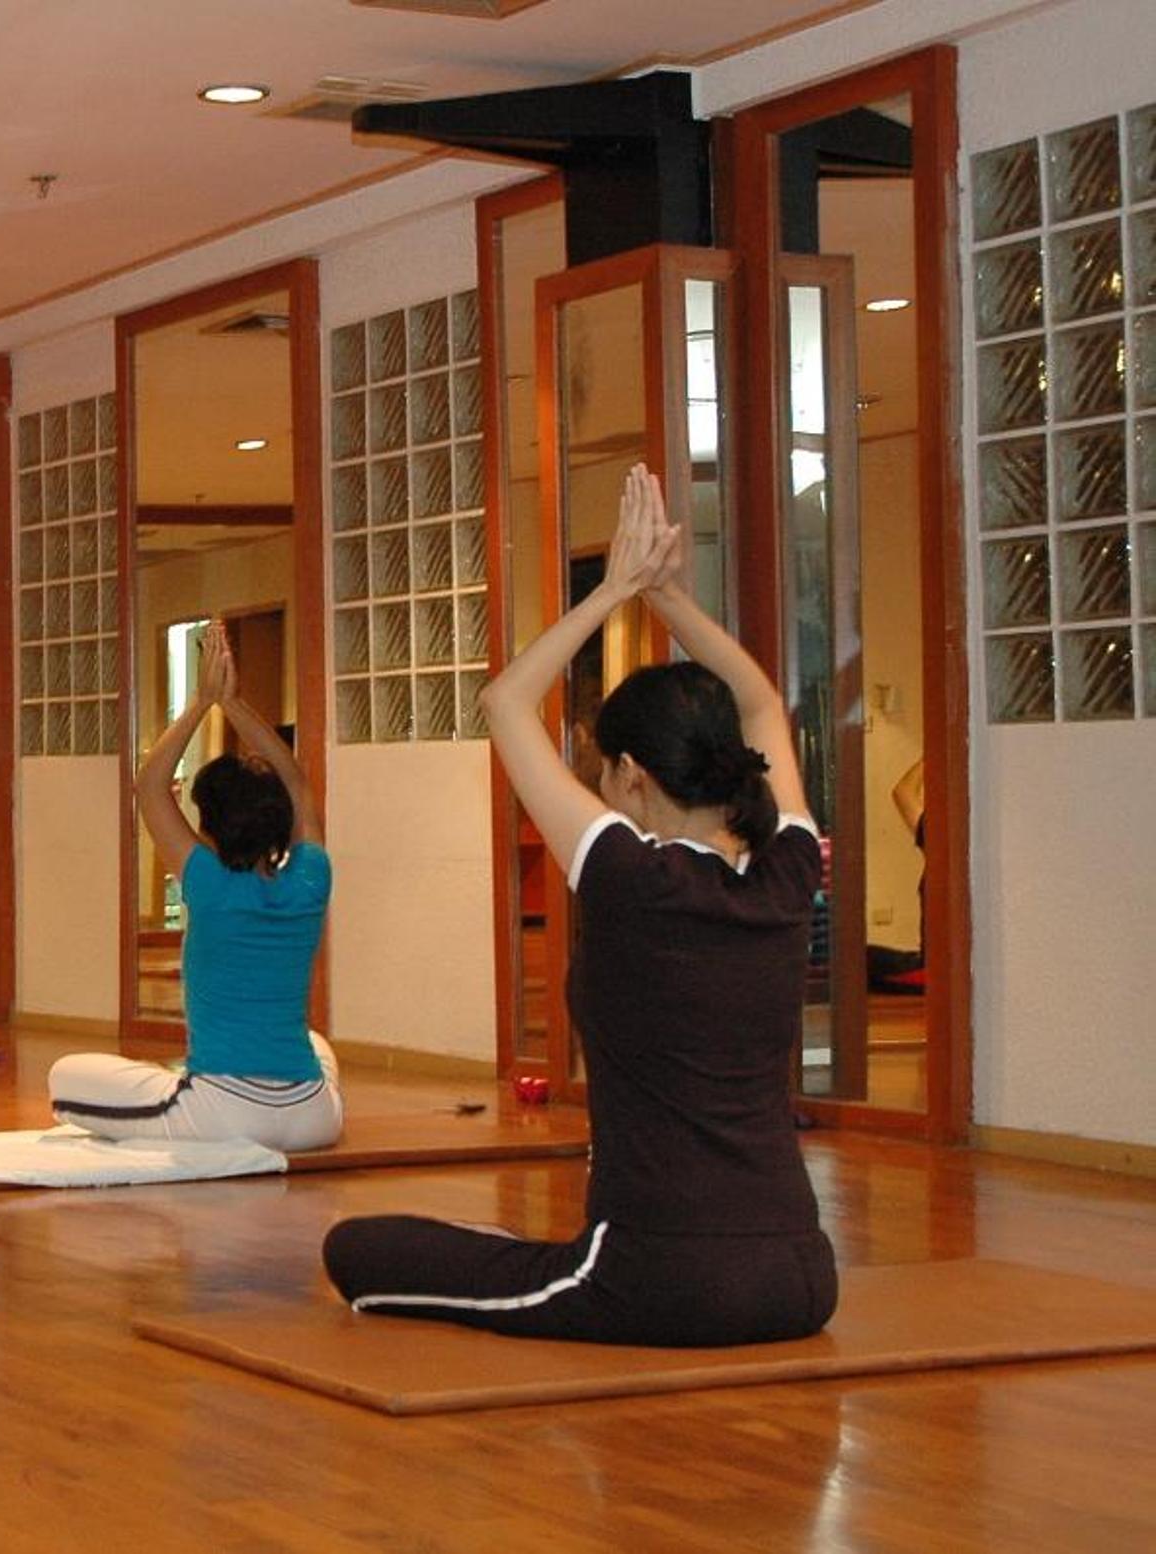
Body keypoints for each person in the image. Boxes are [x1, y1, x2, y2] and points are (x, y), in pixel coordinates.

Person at [323, 465, 838, 1348]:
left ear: (630, 776)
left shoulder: (629, 875)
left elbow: (505, 702)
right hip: (802, 1276)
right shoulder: (788, 871)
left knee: (358, 1249)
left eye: (603, 769)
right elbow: (758, 700)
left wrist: (614, 591)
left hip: (660, 1276)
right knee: (489, 1249)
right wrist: (669, 598)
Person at [46, 626, 339, 1151]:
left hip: (225, 1112)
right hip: (313, 1117)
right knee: (315, 1043)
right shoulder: (311, 878)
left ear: (209, 827)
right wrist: (235, 703)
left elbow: (149, 785)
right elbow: (297, 782)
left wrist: (203, 702)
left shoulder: (207, 881)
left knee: (66, 1077)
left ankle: (187, 1089)